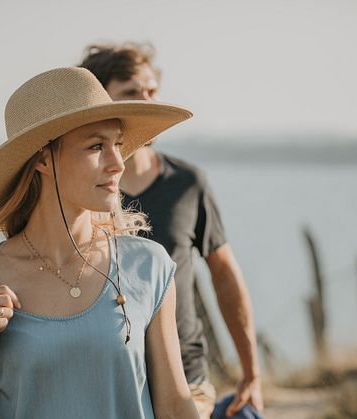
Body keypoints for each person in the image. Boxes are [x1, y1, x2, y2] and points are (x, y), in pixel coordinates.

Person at [0, 67, 200, 418]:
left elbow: (175, 405)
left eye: (118, 144)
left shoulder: (148, 266)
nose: (118, 163)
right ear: (42, 158)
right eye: (97, 146)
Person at [80, 43, 264, 418]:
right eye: (131, 92)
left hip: (187, 378)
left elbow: (225, 274)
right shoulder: (80, 193)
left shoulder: (188, 183)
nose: (148, 102)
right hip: (109, 381)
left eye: (151, 90)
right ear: (101, 103)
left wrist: (251, 373)